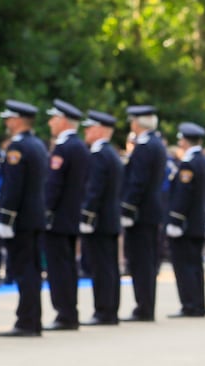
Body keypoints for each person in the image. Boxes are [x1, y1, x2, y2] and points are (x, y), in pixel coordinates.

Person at [0, 100, 49, 337]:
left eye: (9, 118)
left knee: (24, 270)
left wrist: (6, 218)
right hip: (35, 216)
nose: (7, 123)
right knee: (33, 270)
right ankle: (32, 319)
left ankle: (27, 321)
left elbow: (13, 187)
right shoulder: (37, 144)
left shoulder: (18, 148)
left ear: (17, 120)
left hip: (22, 219)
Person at [42, 100, 89, 331]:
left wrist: (46, 211)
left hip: (58, 218)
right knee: (68, 266)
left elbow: (54, 185)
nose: (50, 123)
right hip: (71, 216)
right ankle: (69, 311)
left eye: (53, 118)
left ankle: (65, 314)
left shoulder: (63, 148)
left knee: (59, 268)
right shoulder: (79, 146)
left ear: (62, 121)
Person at [120, 104, 167, 322]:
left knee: (141, 261)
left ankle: (144, 307)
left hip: (142, 212)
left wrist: (128, 208)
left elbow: (137, 182)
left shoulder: (145, 146)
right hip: (150, 211)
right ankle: (145, 305)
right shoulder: (155, 144)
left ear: (136, 123)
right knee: (145, 260)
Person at [79, 110, 124, 326]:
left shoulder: (99, 155)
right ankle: (110, 309)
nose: (86, 132)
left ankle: (104, 311)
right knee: (109, 267)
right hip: (110, 219)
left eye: (89, 128)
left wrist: (87, 217)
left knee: (102, 268)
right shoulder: (111, 153)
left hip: (100, 221)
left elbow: (94, 190)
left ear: (99, 130)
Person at [165, 123, 205, 318]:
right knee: (195, 266)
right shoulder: (203, 161)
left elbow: (184, 195)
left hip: (186, 225)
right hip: (198, 222)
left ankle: (190, 305)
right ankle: (198, 304)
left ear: (184, 141)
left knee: (185, 266)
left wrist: (175, 220)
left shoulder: (188, 164)